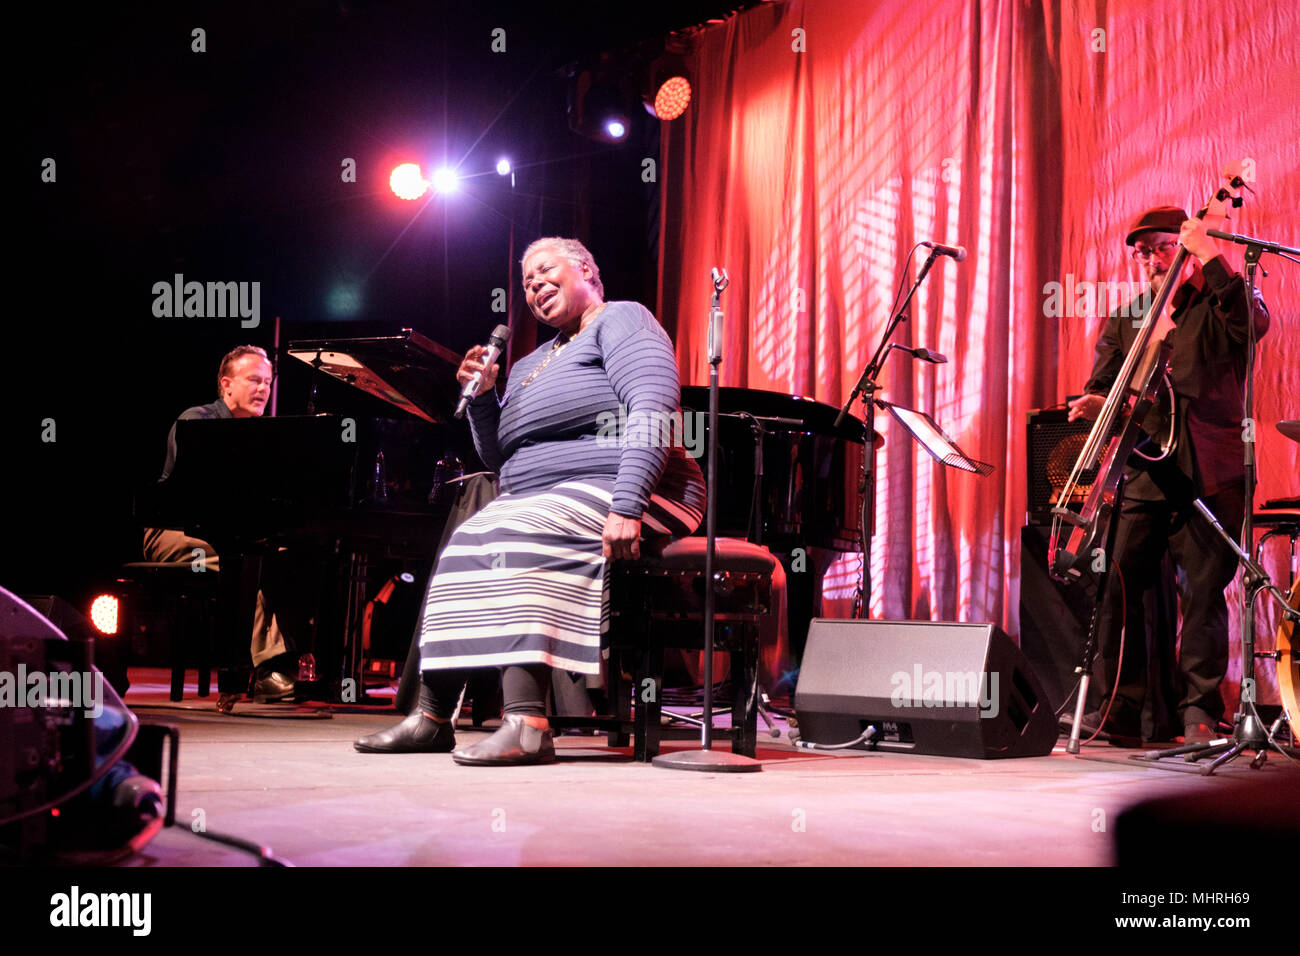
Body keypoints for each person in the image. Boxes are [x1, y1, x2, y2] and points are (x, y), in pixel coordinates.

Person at [355, 237, 705, 764]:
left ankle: (527, 723)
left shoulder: (623, 320)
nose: (535, 285)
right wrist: (483, 399)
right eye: (526, 283)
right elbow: (501, 459)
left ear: (586, 268)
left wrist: (629, 502)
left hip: (642, 487)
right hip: (546, 496)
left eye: (545, 271)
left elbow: (653, 407)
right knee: (467, 538)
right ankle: (431, 717)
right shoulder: (528, 364)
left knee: (510, 528)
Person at [1065, 206, 1269, 746]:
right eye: (1142, 252)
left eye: (1160, 247)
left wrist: (1209, 255)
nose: (1152, 260)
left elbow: (1254, 326)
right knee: (1115, 583)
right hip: (1145, 469)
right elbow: (1105, 383)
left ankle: (1199, 714)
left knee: (1202, 594)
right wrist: (1094, 403)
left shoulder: (1224, 301)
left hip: (1211, 472)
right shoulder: (1130, 316)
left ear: (1182, 244)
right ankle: (1119, 709)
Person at [143, 345, 302, 702]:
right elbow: (195, 496)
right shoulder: (197, 422)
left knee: (289, 560)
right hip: (174, 531)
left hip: (229, 532)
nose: (263, 389)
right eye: (253, 380)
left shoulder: (266, 436)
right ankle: (266, 668)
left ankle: (300, 662)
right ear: (226, 385)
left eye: (267, 382)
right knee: (241, 561)